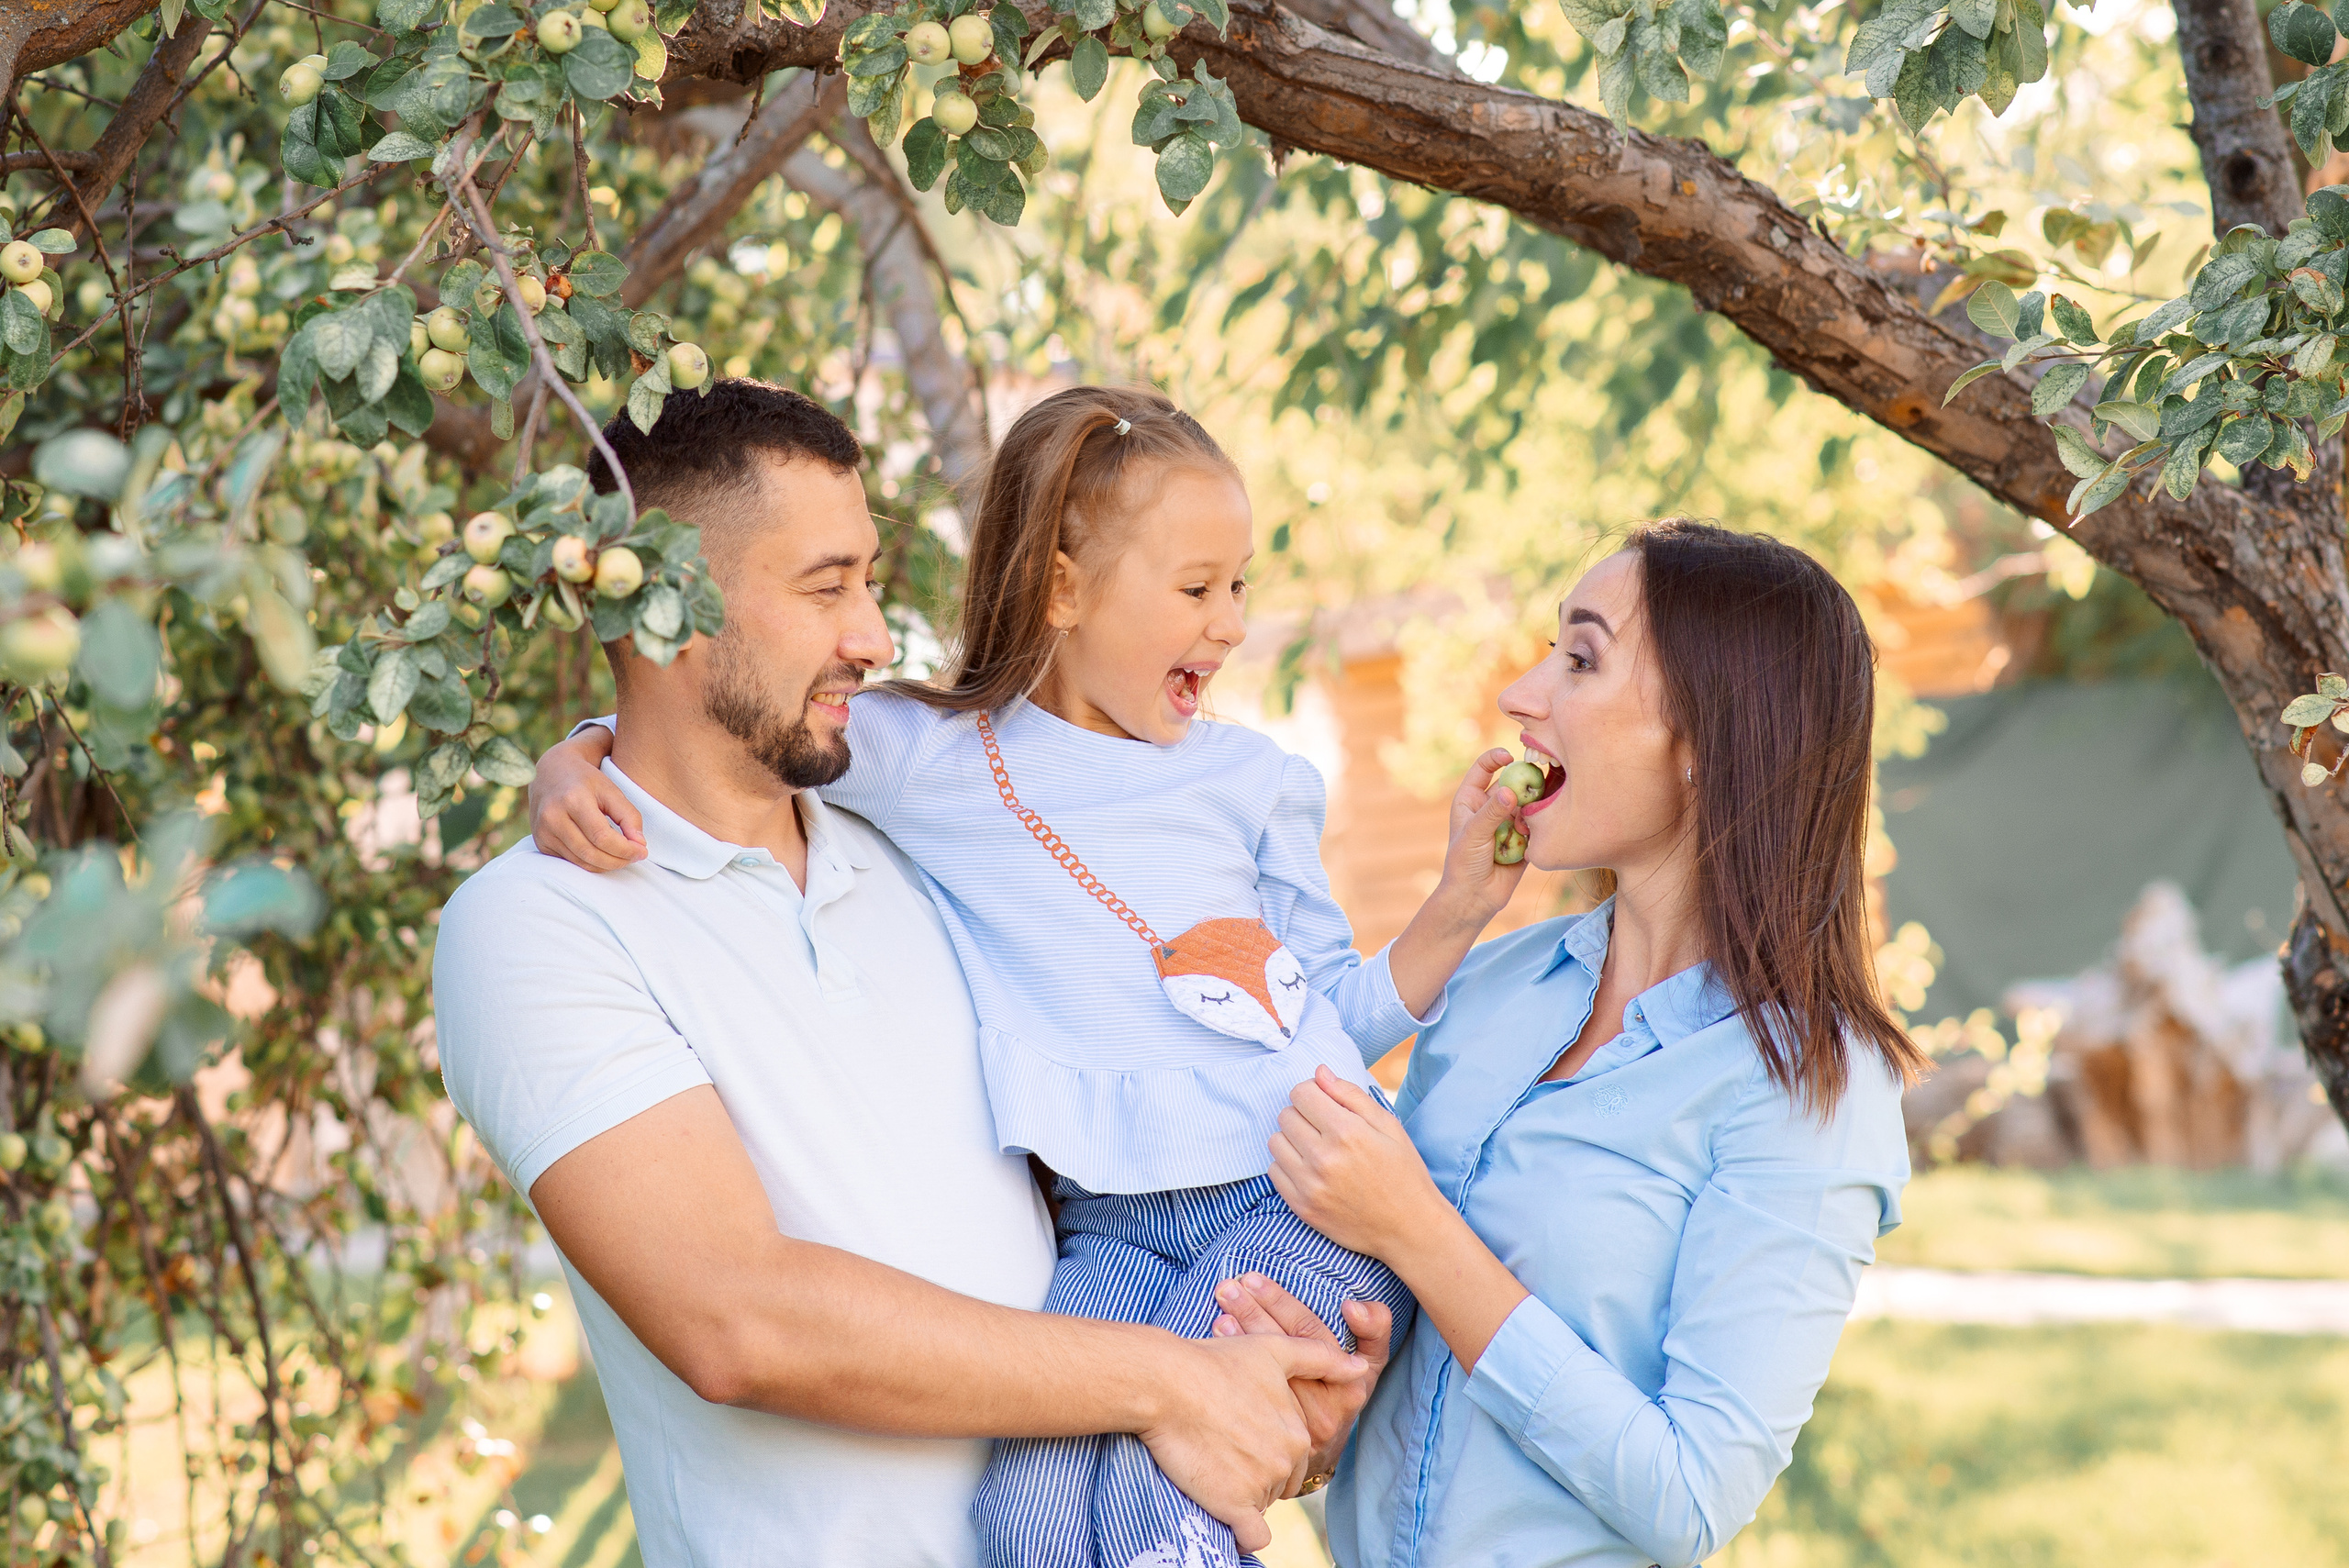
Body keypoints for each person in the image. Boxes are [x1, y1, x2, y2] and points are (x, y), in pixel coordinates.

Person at [526, 385, 1524, 1568]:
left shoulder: (1252, 782)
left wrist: (1457, 907)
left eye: (1239, 586)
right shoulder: (934, 761)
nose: (1229, 624)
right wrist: (579, 752)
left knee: (1165, 1493)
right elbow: (718, 723)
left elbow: (1319, 1016)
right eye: (1195, 589)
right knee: (1024, 1517)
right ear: (1061, 588)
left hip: (1292, 1190)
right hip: (1108, 1230)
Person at [1212, 519, 1927, 1568]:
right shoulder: (1491, 986)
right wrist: (1330, 1401)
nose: (1522, 693)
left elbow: (1690, 1496)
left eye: (1581, 660)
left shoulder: (1809, 1086)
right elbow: (1419, 1389)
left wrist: (1417, 1230)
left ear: (1709, 738)